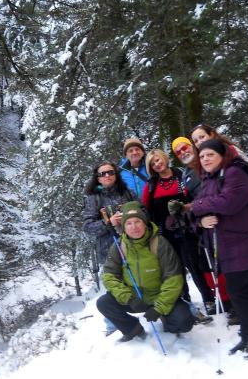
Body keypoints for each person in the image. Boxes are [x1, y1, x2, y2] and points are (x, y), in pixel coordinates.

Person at [192, 139, 248, 356]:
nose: (205, 159)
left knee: (237, 289)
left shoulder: (235, 172)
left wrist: (198, 206)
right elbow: (198, 213)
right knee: (243, 288)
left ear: (222, 155)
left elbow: (228, 203)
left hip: (244, 241)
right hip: (229, 245)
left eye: (210, 154)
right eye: (202, 156)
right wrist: (200, 221)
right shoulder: (209, 179)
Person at [96, 201, 195, 342]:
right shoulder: (119, 246)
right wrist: (127, 297)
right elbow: (109, 276)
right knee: (104, 303)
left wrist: (159, 308)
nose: (134, 227)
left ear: (145, 223)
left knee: (184, 321)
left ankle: (169, 324)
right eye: (128, 223)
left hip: (158, 297)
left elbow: (173, 278)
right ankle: (132, 329)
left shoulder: (160, 243)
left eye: (137, 221)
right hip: (133, 298)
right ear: (123, 227)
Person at [141, 149, 212, 324]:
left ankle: (208, 299)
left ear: (164, 158)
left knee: (195, 264)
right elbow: (146, 210)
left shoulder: (181, 175)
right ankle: (186, 302)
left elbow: (193, 197)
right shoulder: (151, 185)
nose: (158, 164)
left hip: (188, 228)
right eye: (153, 163)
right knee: (176, 269)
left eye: (158, 160)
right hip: (166, 235)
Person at [170, 137, 232, 316]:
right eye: (178, 152)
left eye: (185, 148)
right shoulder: (185, 175)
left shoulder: (208, 163)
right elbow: (191, 200)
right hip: (202, 224)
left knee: (224, 263)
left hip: (221, 220)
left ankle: (236, 302)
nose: (183, 152)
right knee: (208, 265)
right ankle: (227, 302)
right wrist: (184, 209)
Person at [83, 161, 136, 335]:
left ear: (116, 174)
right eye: (102, 174)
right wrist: (108, 222)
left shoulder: (127, 192)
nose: (107, 176)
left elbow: (142, 212)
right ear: (97, 178)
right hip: (108, 249)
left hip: (134, 245)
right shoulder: (93, 198)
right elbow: (88, 228)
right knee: (112, 285)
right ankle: (114, 322)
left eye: (110, 172)